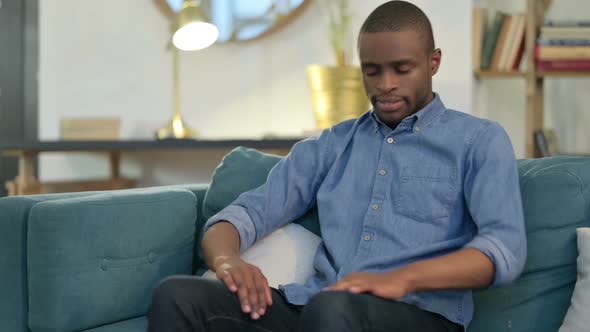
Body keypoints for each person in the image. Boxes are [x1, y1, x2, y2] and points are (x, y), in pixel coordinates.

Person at [148, 1, 526, 331]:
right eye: (372, 71)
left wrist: (401, 280)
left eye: (402, 69)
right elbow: (243, 215)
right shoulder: (332, 145)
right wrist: (228, 260)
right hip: (320, 309)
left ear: (433, 62)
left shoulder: (479, 140)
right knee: (177, 295)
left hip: (421, 316)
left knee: (332, 310)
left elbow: (503, 251)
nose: (386, 84)